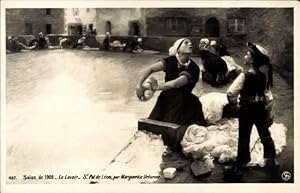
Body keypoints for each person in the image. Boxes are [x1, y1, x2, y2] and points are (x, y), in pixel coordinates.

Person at [136, 38, 206, 150]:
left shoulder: (194, 68)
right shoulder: (170, 61)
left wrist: (156, 88)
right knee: (152, 128)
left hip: (185, 101)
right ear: (178, 49)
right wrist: (139, 85)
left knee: (174, 133)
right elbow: (149, 69)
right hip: (166, 98)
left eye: (190, 43)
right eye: (186, 43)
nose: (190, 44)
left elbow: (176, 84)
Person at [225, 42, 277, 178]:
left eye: (247, 54)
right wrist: (268, 113)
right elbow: (268, 97)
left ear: (252, 60)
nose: (245, 55)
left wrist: (236, 106)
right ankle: (271, 159)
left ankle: (243, 160)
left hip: (246, 109)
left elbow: (231, 93)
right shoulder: (263, 76)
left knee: (244, 135)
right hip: (260, 109)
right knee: (265, 134)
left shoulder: (244, 76)